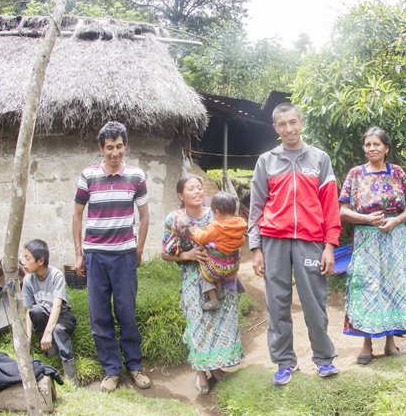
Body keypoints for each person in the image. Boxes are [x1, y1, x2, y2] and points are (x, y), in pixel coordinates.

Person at [249, 102, 341, 385]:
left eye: (293, 122)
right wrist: (256, 249)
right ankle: (285, 363)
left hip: (311, 241)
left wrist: (330, 246)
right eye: (282, 124)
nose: (288, 128)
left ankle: (324, 359)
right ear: (275, 128)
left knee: (314, 303)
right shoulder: (267, 161)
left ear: (301, 122)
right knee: (277, 304)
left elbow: (330, 206)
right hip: (274, 241)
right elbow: (256, 206)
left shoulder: (319, 159)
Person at [72, 121, 151, 392]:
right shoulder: (88, 176)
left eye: (119, 147)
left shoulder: (136, 176)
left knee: (126, 311)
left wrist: (138, 249)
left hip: (124, 256)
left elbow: (144, 215)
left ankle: (135, 366)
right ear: (101, 148)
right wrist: (79, 254)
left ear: (125, 146)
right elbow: (77, 215)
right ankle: (111, 370)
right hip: (95, 256)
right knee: (99, 315)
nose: (114, 153)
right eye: (109, 148)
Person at [339, 126, 406, 365]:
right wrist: (365, 219)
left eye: (376, 144)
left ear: (386, 148)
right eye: (368, 144)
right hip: (366, 240)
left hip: (395, 238)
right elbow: (342, 210)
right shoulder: (355, 174)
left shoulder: (397, 173)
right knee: (366, 287)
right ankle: (366, 344)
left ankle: (391, 342)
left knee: (394, 286)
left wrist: (395, 221)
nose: (371, 148)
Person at [162, 174, 243, 395]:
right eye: (191, 189)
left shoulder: (217, 214)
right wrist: (187, 255)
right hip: (192, 277)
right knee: (198, 322)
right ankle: (200, 372)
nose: (197, 192)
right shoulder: (175, 219)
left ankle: (215, 367)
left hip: (221, 277)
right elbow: (165, 253)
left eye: (199, 188)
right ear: (181, 195)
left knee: (218, 321)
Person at [21, 239, 77, 385]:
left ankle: (71, 376)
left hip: (62, 316)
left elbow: (57, 305)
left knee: (57, 330)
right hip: (44, 316)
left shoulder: (56, 275)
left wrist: (48, 332)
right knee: (36, 310)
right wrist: (27, 336)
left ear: (40, 260)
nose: (23, 262)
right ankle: (51, 352)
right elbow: (28, 310)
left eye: (27, 258)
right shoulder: (28, 280)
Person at [188, 191, 247, 311]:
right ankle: (220, 291)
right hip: (232, 267)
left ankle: (213, 298)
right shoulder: (239, 225)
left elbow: (201, 238)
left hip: (217, 268)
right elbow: (242, 240)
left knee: (204, 274)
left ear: (216, 212)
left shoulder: (217, 227)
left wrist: (195, 230)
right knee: (219, 262)